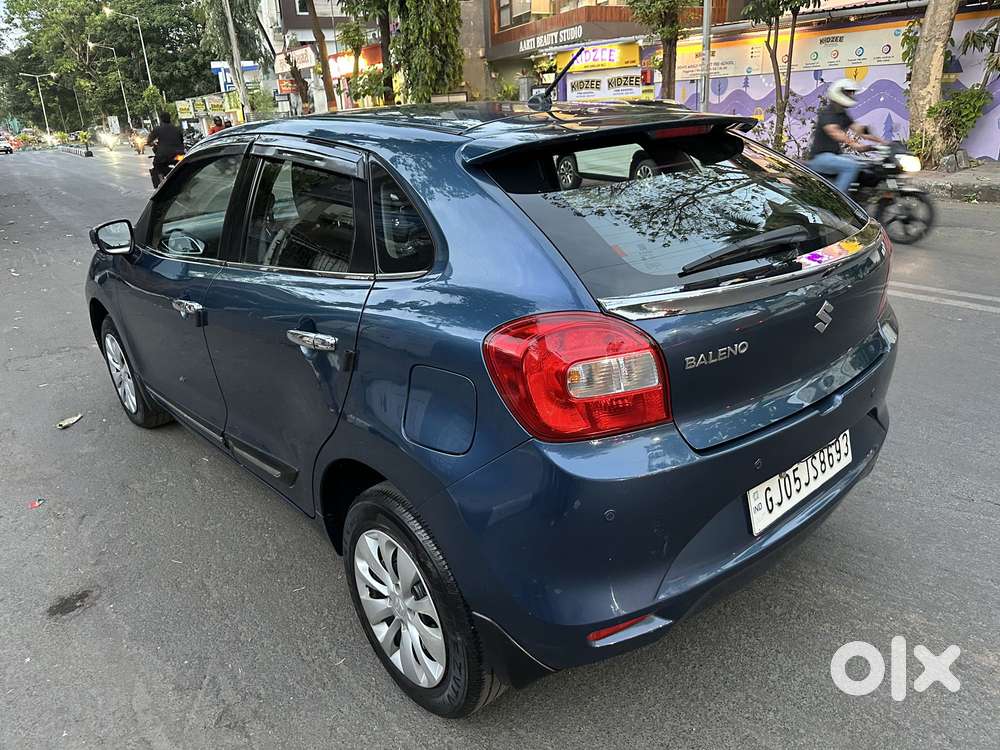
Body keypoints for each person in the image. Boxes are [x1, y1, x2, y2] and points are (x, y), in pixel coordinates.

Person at [806, 78, 888, 194]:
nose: (851, 95)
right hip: (820, 158)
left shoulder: (842, 114)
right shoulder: (827, 113)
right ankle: (839, 200)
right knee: (851, 166)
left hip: (835, 156)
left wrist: (882, 141)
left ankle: (861, 195)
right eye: (848, 93)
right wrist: (854, 144)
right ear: (839, 93)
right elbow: (835, 132)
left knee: (865, 164)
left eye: (851, 93)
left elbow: (859, 129)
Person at [148, 111, 185, 187]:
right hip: (180, 153)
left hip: (163, 154)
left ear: (161, 119)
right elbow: (181, 140)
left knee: (156, 164)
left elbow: (149, 141)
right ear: (169, 119)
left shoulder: (157, 129)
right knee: (182, 166)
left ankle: (162, 185)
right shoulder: (177, 128)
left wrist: (152, 144)